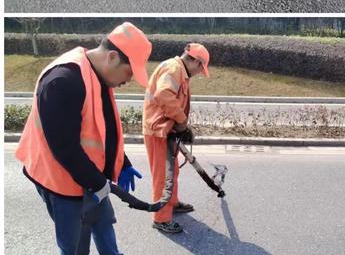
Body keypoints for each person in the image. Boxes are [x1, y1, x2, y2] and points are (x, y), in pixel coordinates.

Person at [16, 22, 152, 254]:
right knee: (76, 246)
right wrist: (98, 183)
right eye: (129, 72)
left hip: (90, 177)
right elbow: (64, 148)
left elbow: (101, 126)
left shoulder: (97, 75)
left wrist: (121, 162)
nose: (128, 80)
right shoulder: (64, 81)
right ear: (112, 57)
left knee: (104, 227)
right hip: (62, 182)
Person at [143, 43, 210, 234]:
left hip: (166, 129)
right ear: (196, 61)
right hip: (158, 131)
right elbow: (164, 95)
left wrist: (181, 125)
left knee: (172, 173)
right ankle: (161, 219)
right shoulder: (174, 69)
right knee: (163, 177)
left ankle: (171, 203)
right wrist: (182, 122)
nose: (198, 73)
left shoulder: (178, 70)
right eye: (200, 68)